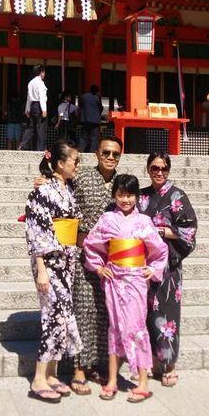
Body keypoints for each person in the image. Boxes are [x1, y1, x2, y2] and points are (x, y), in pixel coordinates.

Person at [84, 174, 168, 403]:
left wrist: (153, 268)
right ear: (114, 195)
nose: (125, 199)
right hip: (114, 280)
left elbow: (159, 250)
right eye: (121, 194)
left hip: (136, 280)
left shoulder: (144, 222)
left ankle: (142, 381)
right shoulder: (107, 219)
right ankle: (112, 379)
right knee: (115, 328)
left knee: (137, 327)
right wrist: (99, 267)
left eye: (130, 195)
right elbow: (91, 244)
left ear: (137, 197)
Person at [25, 141, 82, 403]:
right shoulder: (42, 191)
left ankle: (51, 374)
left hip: (67, 261)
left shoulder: (67, 189)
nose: (77, 165)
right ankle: (38, 377)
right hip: (49, 262)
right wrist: (40, 269)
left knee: (63, 315)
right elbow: (35, 231)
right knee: (53, 316)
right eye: (75, 161)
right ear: (60, 163)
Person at [139, 152, 197, 387]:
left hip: (168, 266)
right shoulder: (141, 197)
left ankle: (169, 365)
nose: (159, 172)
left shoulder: (177, 196)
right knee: (146, 314)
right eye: (154, 168)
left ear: (169, 170)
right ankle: (153, 362)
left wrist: (161, 230)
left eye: (163, 168)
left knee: (168, 313)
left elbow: (189, 231)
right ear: (148, 169)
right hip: (144, 265)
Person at [70, 135, 123, 394]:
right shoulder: (80, 178)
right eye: (106, 152)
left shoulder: (121, 185)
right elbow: (62, 199)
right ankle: (79, 367)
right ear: (97, 154)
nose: (110, 158)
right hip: (83, 256)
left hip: (111, 261)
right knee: (83, 309)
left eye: (115, 154)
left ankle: (99, 364)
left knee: (105, 313)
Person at [20, 64, 48, 151]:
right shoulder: (40, 83)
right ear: (41, 72)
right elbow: (42, 96)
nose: (44, 74)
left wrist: (27, 109)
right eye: (44, 72)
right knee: (41, 128)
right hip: (39, 106)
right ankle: (40, 149)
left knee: (31, 127)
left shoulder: (31, 82)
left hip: (32, 106)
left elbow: (29, 97)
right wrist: (44, 109)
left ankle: (23, 145)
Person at [79, 84, 103, 152]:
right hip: (95, 121)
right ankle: (92, 151)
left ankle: (81, 150)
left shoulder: (84, 96)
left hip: (85, 119)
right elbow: (100, 108)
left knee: (83, 136)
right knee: (94, 137)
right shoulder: (97, 97)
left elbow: (80, 106)